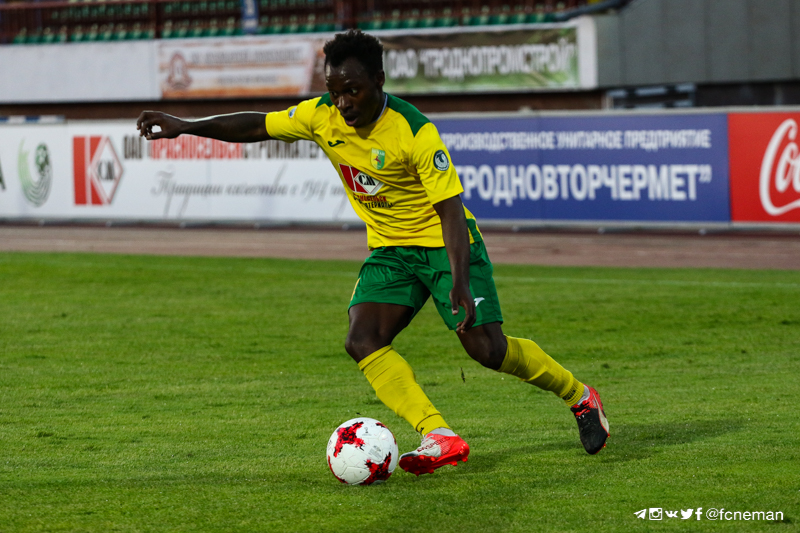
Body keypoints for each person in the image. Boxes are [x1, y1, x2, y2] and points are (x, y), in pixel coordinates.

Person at [136, 30, 609, 476]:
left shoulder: (413, 131)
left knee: (487, 350)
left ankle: (580, 396)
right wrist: (185, 126)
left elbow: (450, 211)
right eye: (334, 91)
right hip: (390, 250)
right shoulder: (320, 115)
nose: (342, 103)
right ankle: (439, 435)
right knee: (362, 338)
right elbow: (257, 125)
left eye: (353, 91)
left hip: (443, 245)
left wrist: (460, 282)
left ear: (379, 81)